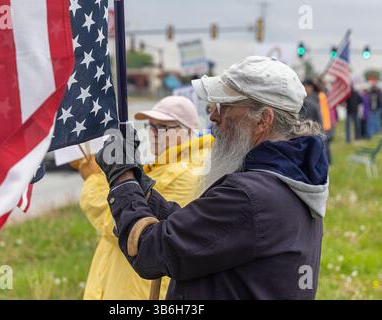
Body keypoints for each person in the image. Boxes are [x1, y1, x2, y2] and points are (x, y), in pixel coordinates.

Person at [96, 56, 329, 300]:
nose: (214, 117)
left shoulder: (251, 196)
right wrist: (141, 185)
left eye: (225, 106)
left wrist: (122, 177)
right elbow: (204, 234)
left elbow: (151, 251)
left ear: (263, 119)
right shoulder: (285, 180)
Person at [79, 96, 213, 300]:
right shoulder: (166, 166)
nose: (154, 133)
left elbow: (115, 220)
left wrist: (93, 177)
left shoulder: (187, 172)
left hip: (140, 290)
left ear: (188, 131)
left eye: (163, 127)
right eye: (151, 126)